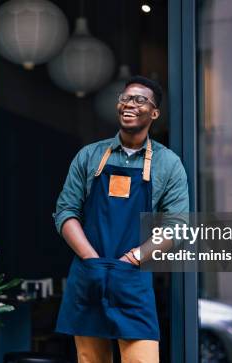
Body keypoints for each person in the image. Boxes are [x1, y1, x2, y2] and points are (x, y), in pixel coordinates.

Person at [53, 75, 189, 363]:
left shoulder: (168, 164)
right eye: (125, 98)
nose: (129, 104)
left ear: (154, 113)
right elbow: (66, 211)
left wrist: (135, 258)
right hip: (89, 274)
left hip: (132, 278)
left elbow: (177, 226)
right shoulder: (89, 156)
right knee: (91, 359)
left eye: (140, 100)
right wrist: (91, 258)